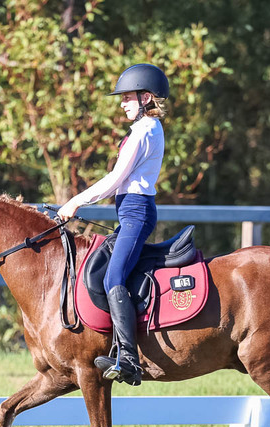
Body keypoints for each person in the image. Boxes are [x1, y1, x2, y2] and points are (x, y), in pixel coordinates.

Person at [57, 63, 169, 386]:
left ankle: (129, 358)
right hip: (130, 212)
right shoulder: (147, 128)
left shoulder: (144, 131)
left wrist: (76, 201)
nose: (122, 103)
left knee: (113, 277)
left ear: (146, 97)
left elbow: (115, 179)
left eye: (128, 97)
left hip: (136, 212)